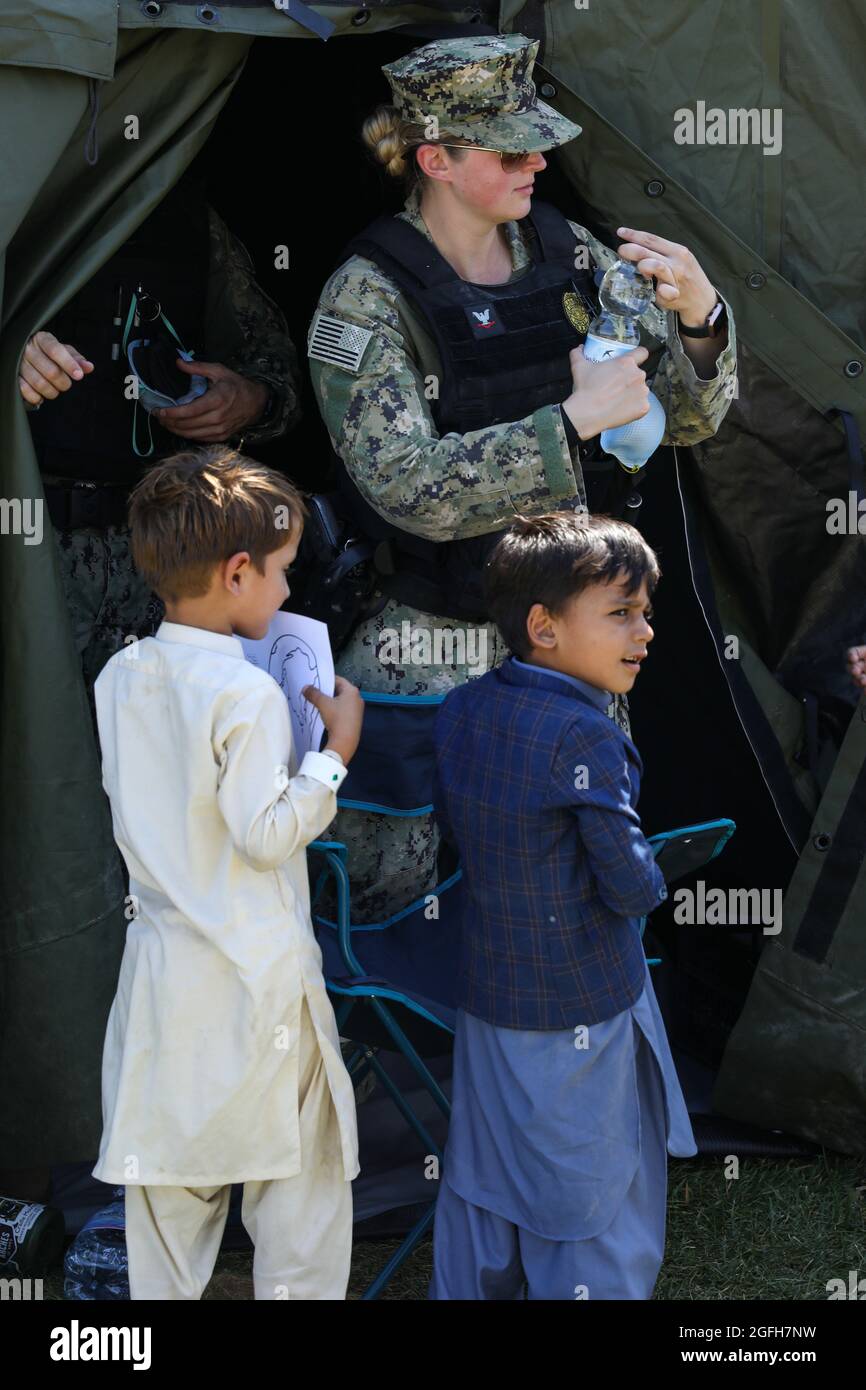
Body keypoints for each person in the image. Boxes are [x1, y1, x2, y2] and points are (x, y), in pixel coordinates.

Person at [309, 32, 738, 924]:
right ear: (436, 159)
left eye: (537, 138)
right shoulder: (368, 294)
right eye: (511, 149)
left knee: (579, 887)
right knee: (393, 898)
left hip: (565, 643)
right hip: (431, 643)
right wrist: (570, 424)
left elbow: (679, 421)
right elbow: (403, 486)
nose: (539, 160)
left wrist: (702, 319)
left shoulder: (566, 251)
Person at [90, 446, 364, 1300]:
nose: (287, 593)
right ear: (237, 570)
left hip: (165, 984)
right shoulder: (243, 696)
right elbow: (265, 837)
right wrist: (334, 758)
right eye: (281, 573)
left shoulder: (119, 675)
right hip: (258, 980)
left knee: (169, 1206)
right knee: (301, 1197)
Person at [427, 511, 696, 1300]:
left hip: (488, 992)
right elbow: (629, 884)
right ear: (543, 626)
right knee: (593, 1183)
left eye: (645, 611)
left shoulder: (463, 707)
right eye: (620, 613)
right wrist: (658, 874)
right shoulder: (586, 736)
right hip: (581, 1000)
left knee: (486, 1165)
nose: (644, 631)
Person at [19, 169, 301, 724]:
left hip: (160, 554)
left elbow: (275, 368)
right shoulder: (21, 201)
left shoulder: (186, 220)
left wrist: (250, 399)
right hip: (29, 550)